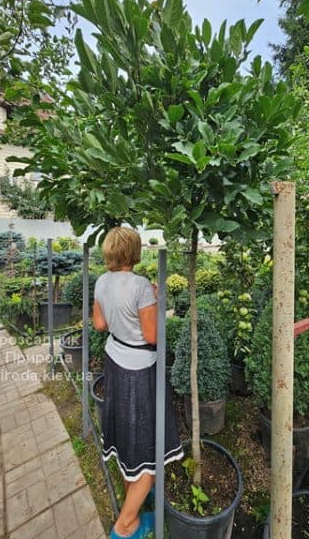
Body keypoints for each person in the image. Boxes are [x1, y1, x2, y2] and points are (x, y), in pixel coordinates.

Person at [92, 226, 183, 539]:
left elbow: (100, 324)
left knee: (127, 432)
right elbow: (153, 336)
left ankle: (135, 486)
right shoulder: (142, 285)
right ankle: (125, 525)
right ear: (134, 251)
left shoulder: (102, 281)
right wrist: (157, 303)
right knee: (148, 445)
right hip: (140, 369)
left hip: (115, 361)